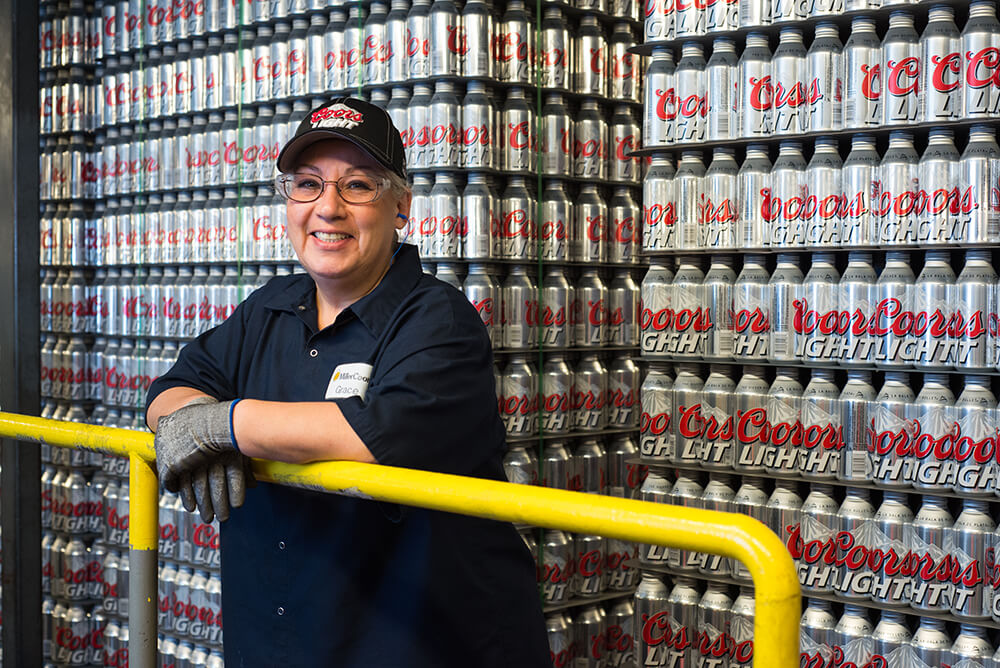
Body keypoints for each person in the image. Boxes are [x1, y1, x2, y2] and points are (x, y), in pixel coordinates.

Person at [145, 97, 551, 667]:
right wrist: (188, 418)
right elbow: (172, 388)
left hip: (417, 647)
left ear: (402, 205)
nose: (327, 207)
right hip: (278, 641)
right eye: (307, 184)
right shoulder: (269, 309)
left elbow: (372, 433)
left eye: (357, 186)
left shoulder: (441, 320)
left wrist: (221, 426)